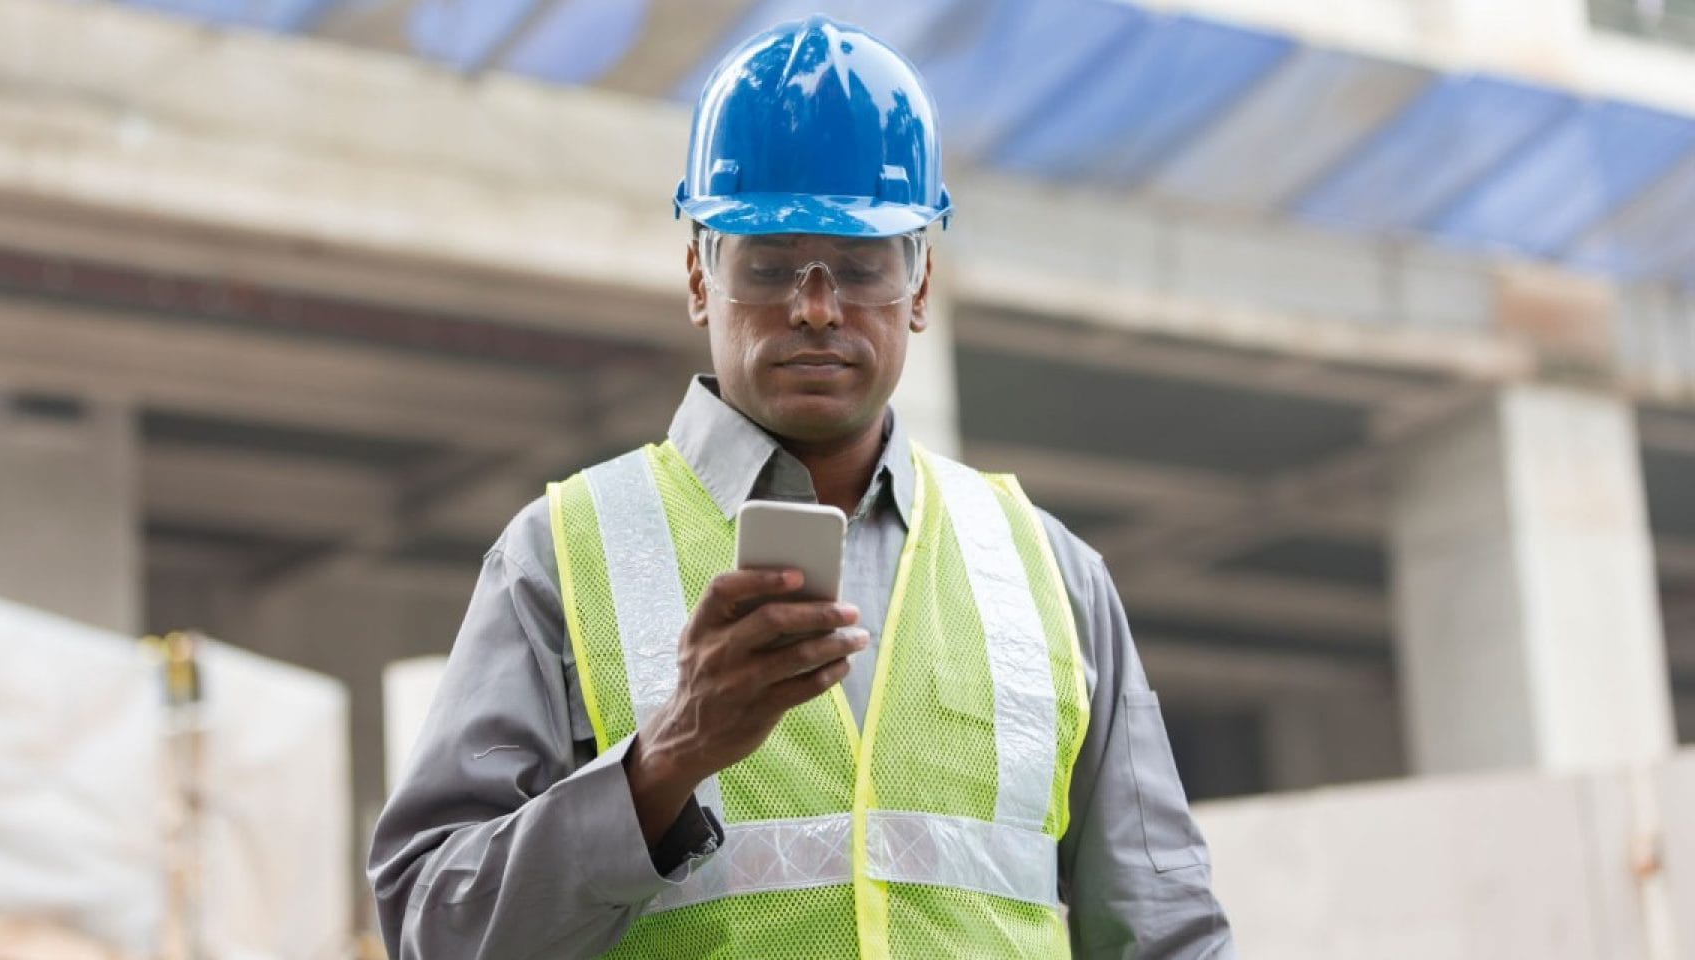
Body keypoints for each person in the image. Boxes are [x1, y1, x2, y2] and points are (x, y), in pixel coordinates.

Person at [369, 15, 1234, 959]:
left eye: (860, 267)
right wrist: (663, 767)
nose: (816, 306)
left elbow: (1166, 929)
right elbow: (432, 929)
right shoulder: (559, 556)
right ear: (700, 274)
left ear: (920, 284)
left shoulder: (1050, 572)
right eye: (770, 265)